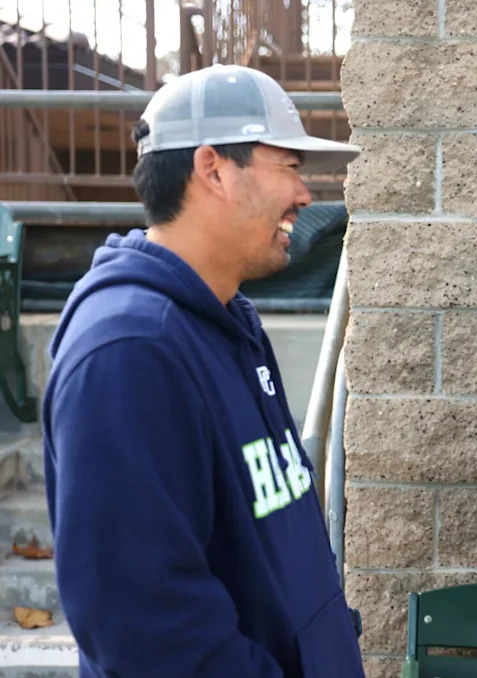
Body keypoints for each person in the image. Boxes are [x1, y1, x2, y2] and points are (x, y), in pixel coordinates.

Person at [43, 64, 365, 678]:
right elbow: (146, 627)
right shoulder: (127, 350)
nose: (305, 195)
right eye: (289, 166)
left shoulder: (226, 319)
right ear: (213, 168)